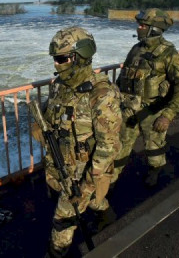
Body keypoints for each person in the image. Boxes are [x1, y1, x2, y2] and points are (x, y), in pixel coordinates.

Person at [31, 26, 122, 257]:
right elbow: (52, 113)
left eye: (61, 58)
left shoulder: (101, 94)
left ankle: (55, 253)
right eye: (55, 59)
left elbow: (108, 146)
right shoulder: (61, 85)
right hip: (61, 162)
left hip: (83, 174)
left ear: (80, 57)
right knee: (90, 202)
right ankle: (105, 213)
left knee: (63, 220)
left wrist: (86, 186)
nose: (56, 64)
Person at [113, 8, 179, 187]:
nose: (138, 28)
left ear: (154, 29)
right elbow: (122, 77)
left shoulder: (169, 54)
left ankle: (155, 170)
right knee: (121, 145)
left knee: (154, 147)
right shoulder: (136, 49)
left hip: (153, 111)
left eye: (142, 25)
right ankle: (112, 179)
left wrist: (168, 115)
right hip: (129, 109)